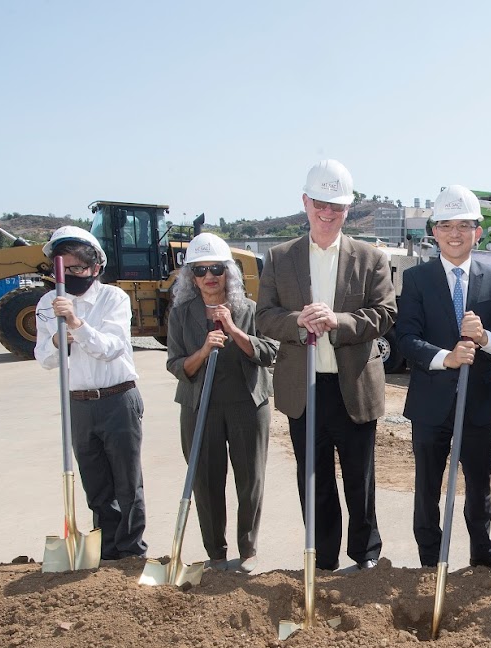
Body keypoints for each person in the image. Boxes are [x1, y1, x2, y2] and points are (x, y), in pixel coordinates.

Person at [254, 159, 396, 573]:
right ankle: (323, 557)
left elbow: (385, 313)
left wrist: (339, 321)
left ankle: (366, 554)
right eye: (320, 204)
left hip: (352, 386)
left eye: (336, 206)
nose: (327, 213)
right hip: (304, 388)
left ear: (347, 209)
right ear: (305, 202)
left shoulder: (370, 258)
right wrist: (297, 322)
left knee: (359, 478)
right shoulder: (280, 258)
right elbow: (264, 316)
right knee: (313, 480)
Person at [396, 185, 491, 570]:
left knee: (479, 484)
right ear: (433, 231)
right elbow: (406, 338)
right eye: (446, 225)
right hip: (431, 402)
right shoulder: (417, 279)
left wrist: (483, 338)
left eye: (464, 225)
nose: (455, 233)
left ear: (478, 232)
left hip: (479, 404)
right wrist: (445, 358)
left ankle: (482, 551)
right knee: (428, 486)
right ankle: (431, 560)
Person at [165, 233, 279, 573]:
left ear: (229, 272)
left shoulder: (251, 311)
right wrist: (202, 350)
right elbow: (175, 365)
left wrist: (232, 328)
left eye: (216, 268)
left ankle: (247, 550)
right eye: (200, 271)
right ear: (191, 277)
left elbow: (269, 352)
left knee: (250, 479)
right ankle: (215, 552)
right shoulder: (181, 315)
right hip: (200, 407)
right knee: (205, 480)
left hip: (247, 405)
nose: (209, 276)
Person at [34, 225, 147, 560]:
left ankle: (131, 552)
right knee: (96, 486)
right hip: (79, 405)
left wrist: (77, 325)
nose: (72, 275)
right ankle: (107, 550)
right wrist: (58, 338)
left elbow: (111, 347)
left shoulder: (114, 298)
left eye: (79, 269)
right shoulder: (46, 304)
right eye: (64, 269)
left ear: (96, 268)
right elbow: (44, 358)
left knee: (127, 483)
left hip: (118, 399)